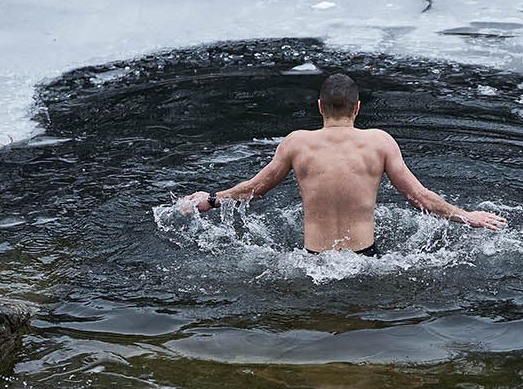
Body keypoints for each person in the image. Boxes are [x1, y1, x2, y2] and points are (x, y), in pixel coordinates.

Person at [179, 73, 506, 254]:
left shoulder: (296, 143)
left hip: (312, 263)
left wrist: (210, 200)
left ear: (320, 107)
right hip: (366, 260)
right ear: (357, 108)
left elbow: (254, 190)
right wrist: (467, 217)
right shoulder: (380, 143)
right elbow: (418, 197)